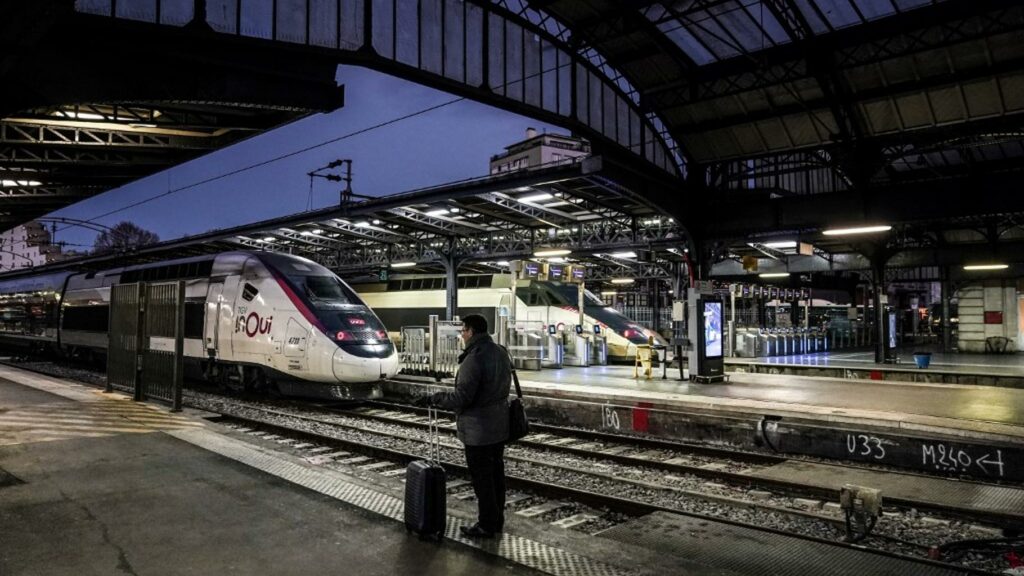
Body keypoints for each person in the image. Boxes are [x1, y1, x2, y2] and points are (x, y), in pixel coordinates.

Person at [421, 314, 511, 538]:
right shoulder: (500, 351)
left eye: (463, 330)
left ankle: (487, 525)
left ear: (470, 331)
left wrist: (435, 398)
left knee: (483, 481)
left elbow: (462, 397)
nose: (461, 335)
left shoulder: (474, 358)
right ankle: (497, 520)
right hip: (499, 426)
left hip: (478, 431)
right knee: (496, 476)